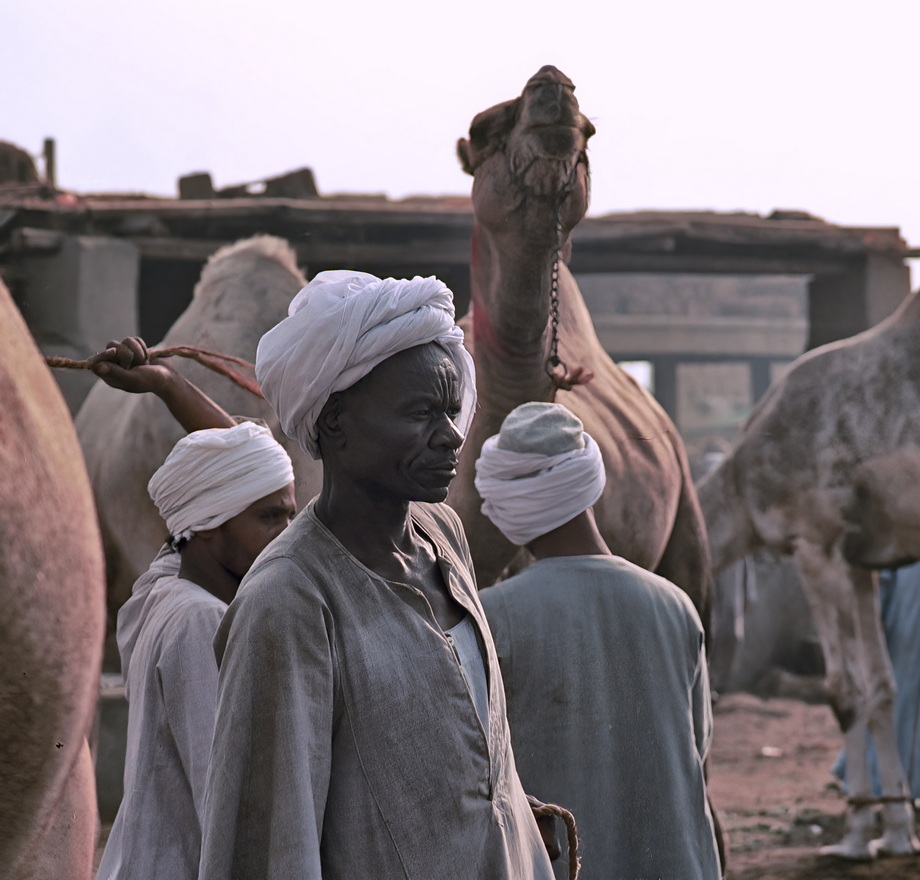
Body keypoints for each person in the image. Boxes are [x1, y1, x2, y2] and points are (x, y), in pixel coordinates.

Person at [198, 270, 557, 879]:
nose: (450, 437)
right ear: (334, 422)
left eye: (451, 410)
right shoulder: (289, 601)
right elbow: (268, 845)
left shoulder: (443, 536)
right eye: (420, 413)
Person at [475, 402, 722, 880]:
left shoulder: (492, 615)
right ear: (589, 482)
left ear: (506, 500)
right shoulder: (674, 605)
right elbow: (699, 745)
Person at [92, 339, 297, 880]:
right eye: (271, 519)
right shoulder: (201, 622)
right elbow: (225, 808)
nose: (286, 538)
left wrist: (168, 385)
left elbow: (236, 466)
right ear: (209, 524)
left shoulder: (162, 586)